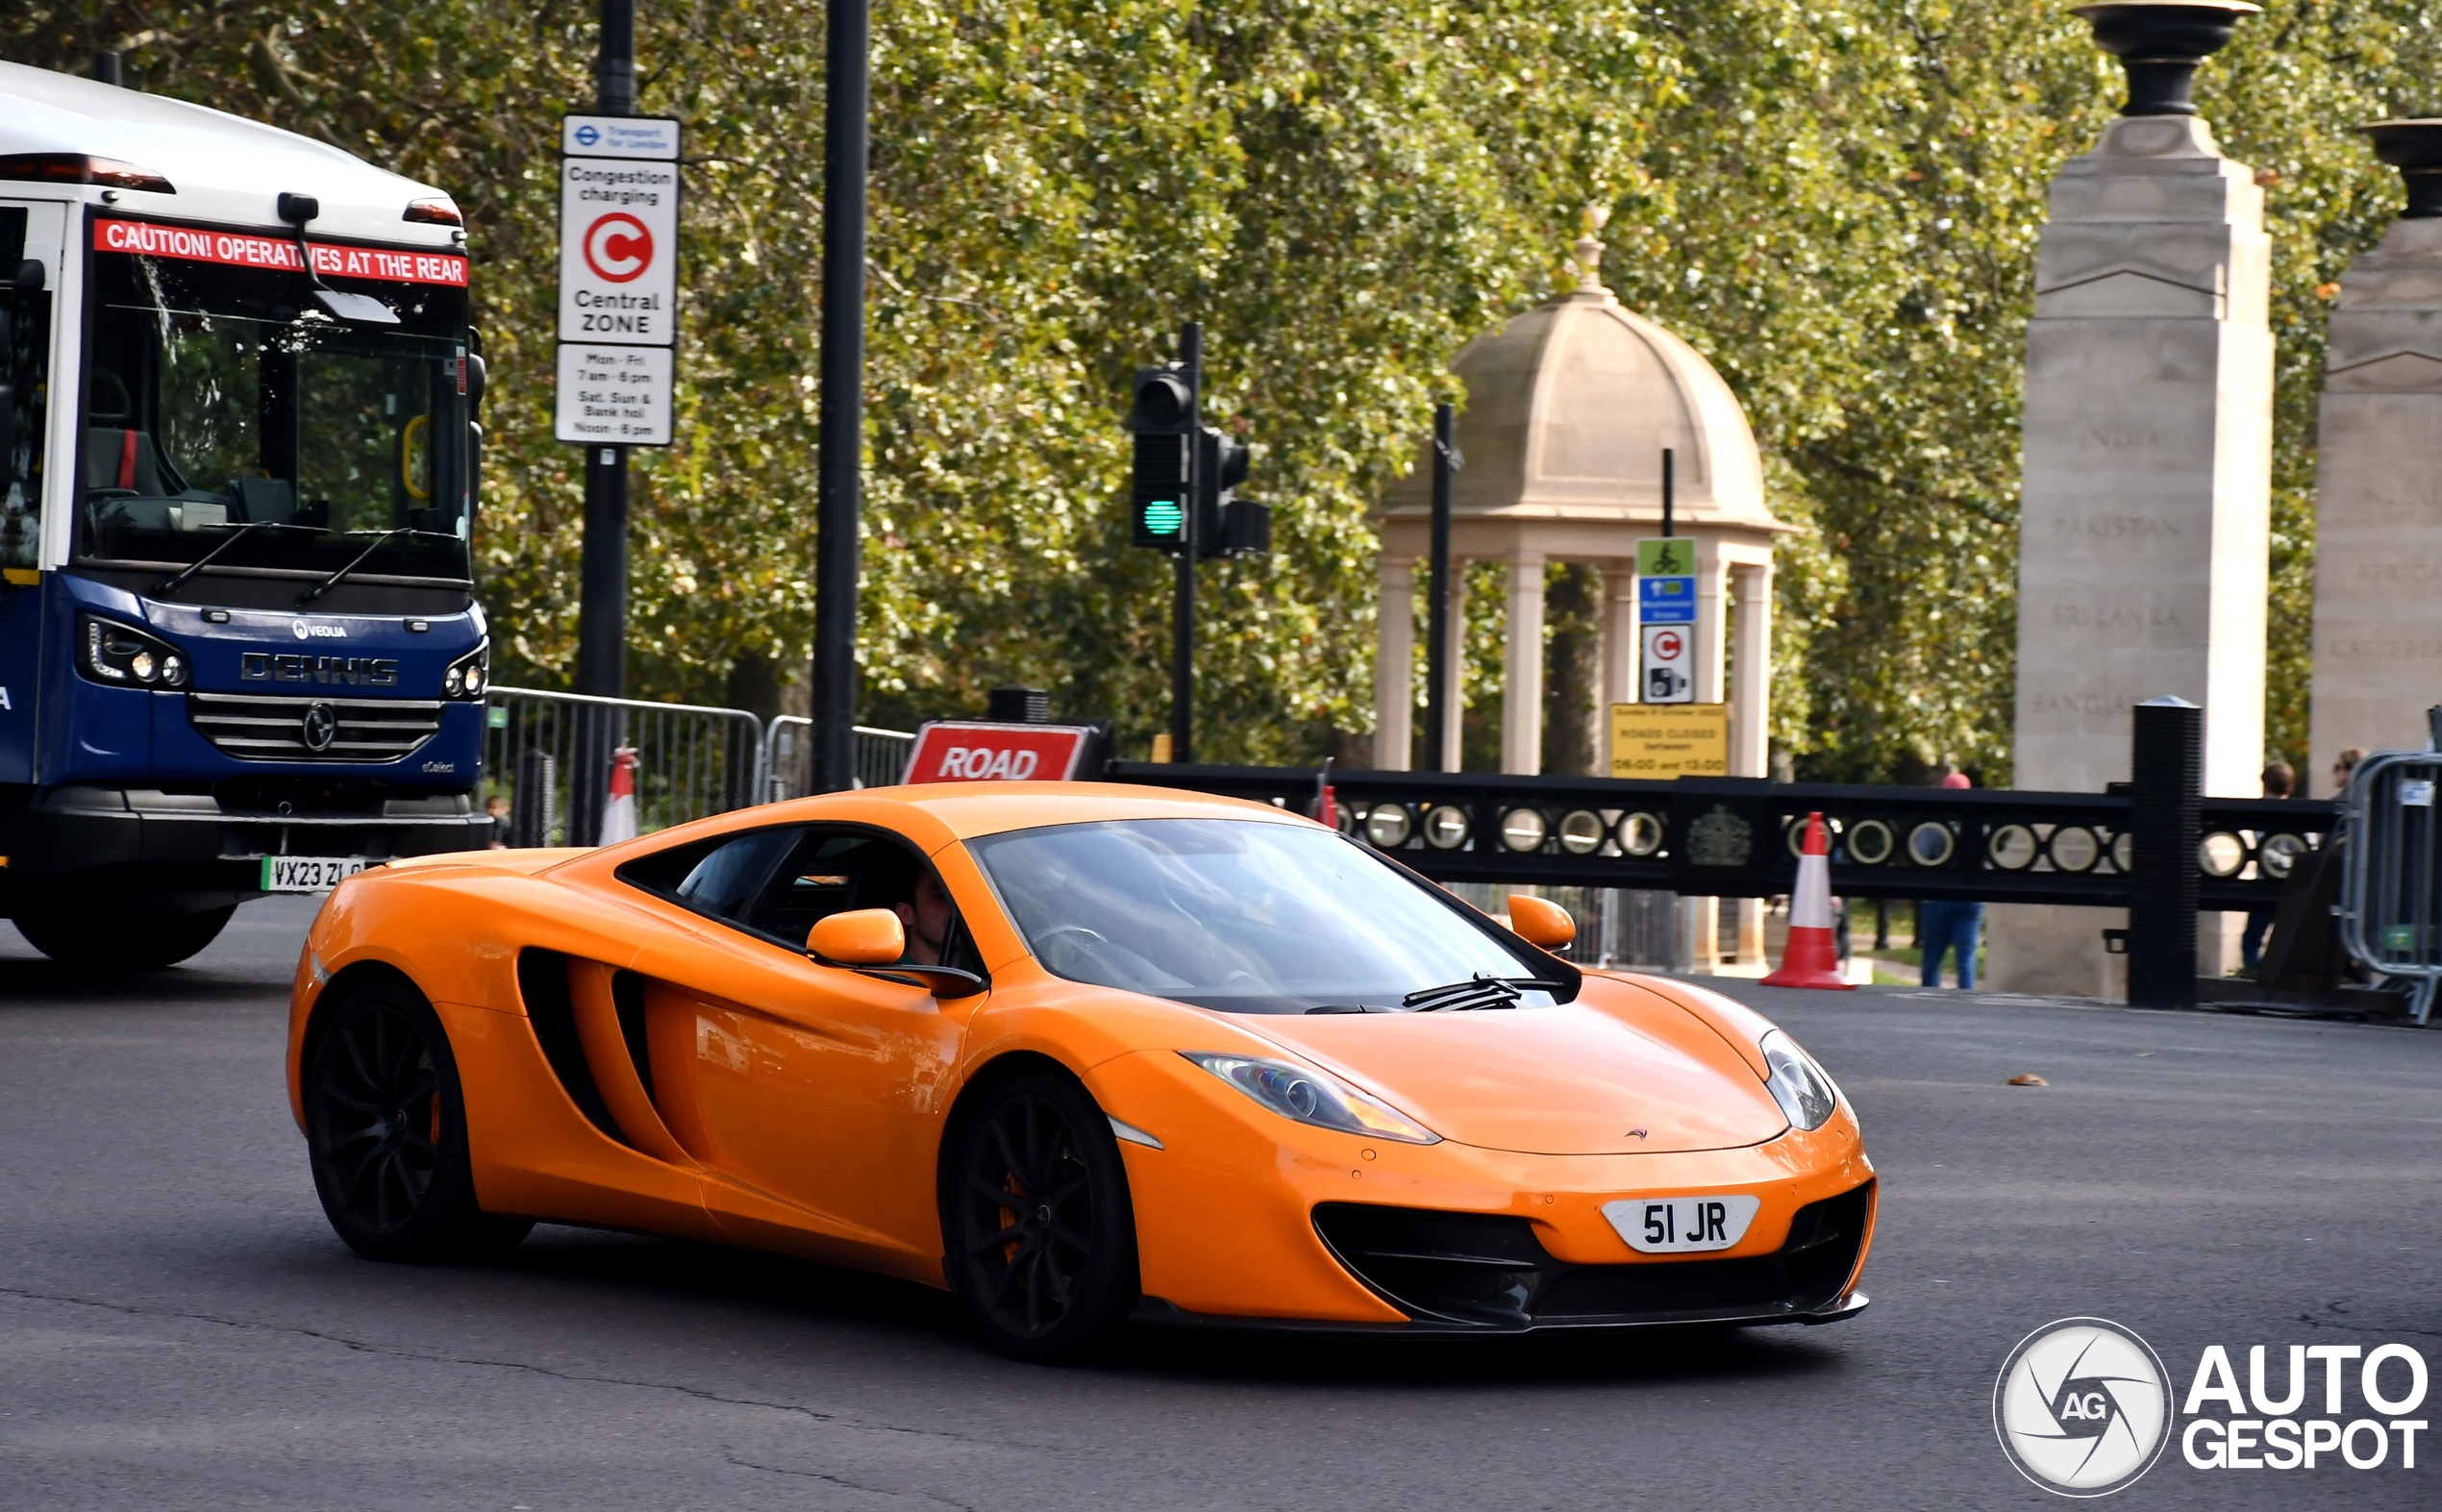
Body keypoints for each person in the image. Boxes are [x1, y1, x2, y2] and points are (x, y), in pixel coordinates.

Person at [1917, 769, 1984, 989]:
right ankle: (1967, 1002)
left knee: (1933, 956)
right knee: (1965, 957)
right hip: (1971, 897)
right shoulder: (1979, 823)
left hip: (1938, 896)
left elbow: (1922, 854)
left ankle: (1928, 1001)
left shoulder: (1933, 824)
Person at [2240, 760, 2295, 973]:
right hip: (2292, 887)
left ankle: (2255, 975)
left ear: (2265, 784)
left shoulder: (2260, 810)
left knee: (2252, 940)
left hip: (2265, 882)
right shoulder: (2300, 810)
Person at [892, 870, 957, 967]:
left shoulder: (984, 965)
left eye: (959, 896)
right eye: (940, 896)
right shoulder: (892, 975)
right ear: (906, 914)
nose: (957, 906)